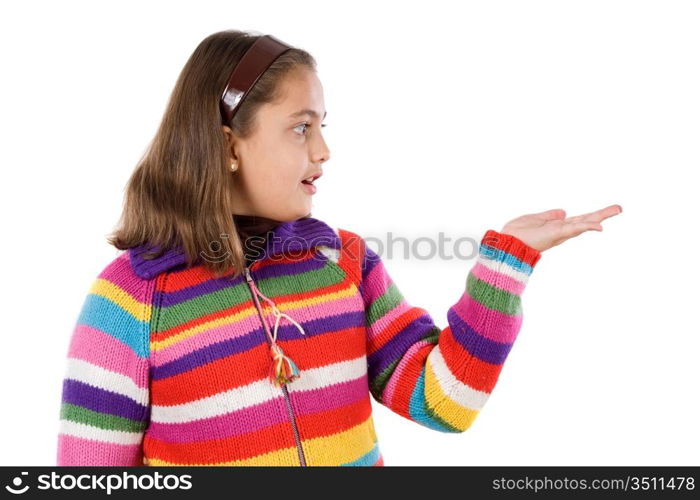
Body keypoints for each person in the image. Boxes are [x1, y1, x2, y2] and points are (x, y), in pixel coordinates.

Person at [55, 30, 622, 467]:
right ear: (228, 144)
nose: (324, 151)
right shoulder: (130, 301)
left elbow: (447, 402)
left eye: (323, 126)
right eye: (302, 127)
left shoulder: (344, 264)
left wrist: (504, 267)